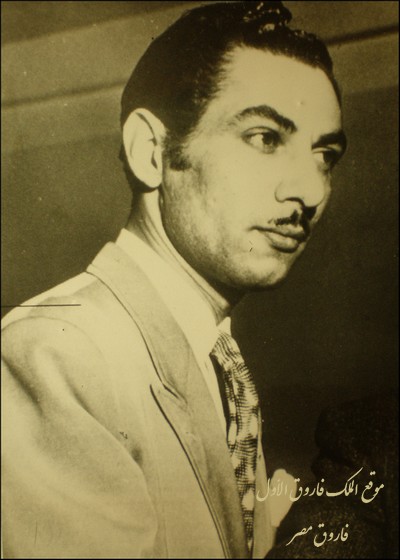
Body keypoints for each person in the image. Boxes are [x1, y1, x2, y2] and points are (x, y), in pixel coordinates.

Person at [1, 2, 346, 558]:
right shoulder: (59, 356)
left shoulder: (219, 364)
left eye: (324, 154)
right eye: (264, 138)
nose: (309, 191)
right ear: (151, 151)